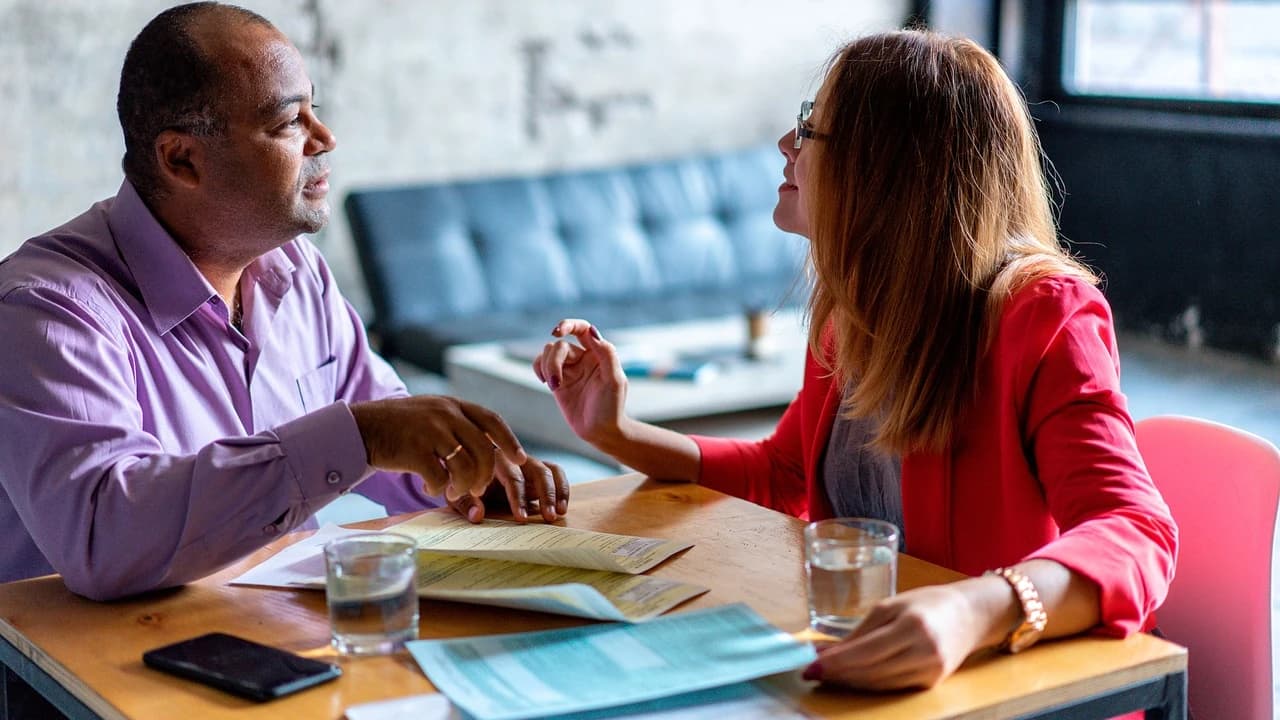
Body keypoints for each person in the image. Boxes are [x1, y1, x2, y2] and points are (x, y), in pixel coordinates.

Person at [533, 30, 1177, 692]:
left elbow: (1134, 530)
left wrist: (973, 607)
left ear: (888, 167)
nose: (787, 144)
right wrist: (614, 433)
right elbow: (783, 473)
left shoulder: (1043, 313)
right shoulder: (856, 312)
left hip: (1005, 689)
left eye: (811, 128)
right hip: (867, 675)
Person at [0, 2, 568, 603]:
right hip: (90, 677)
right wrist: (361, 438)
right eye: (287, 123)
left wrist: (470, 474)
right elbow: (103, 536)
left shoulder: (297, 274)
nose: (324, 138)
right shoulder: (46, 311)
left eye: (313, 109)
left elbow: (391, 434)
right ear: (182, 159)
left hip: (276, 633)